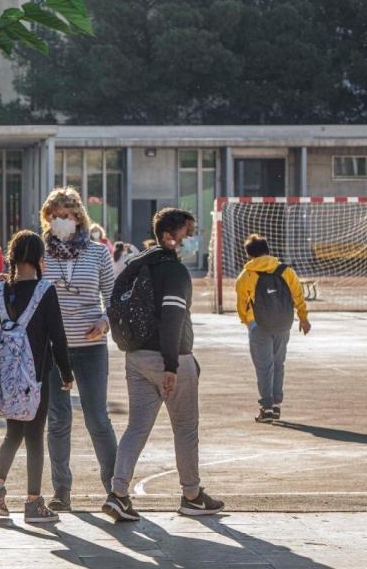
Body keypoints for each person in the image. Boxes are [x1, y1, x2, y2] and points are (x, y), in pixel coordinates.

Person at [104, 207, 224, 522]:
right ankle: (192, 495)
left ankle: (118, 494)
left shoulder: (136, 264)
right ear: (170, 237)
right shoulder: (173, 272)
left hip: (136, 357)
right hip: (170, 358)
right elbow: (172, 318)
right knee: (185, 428)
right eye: (189, 232)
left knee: (136, 427)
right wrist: (171, 365)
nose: (193, 238)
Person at [0, 230, 74, 524]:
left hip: (7, 381)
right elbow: (57, 336)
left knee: (13, 434)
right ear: (39, 258)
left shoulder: (1, 289)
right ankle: (33, 503)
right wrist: (66, 373)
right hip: (36, 379)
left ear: (13, 256)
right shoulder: (45, 291)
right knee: (34, 438)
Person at [38, 188, 118, 512]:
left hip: (91, 347)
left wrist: (105, 320)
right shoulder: (41, 253)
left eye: (67, 215)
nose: (62, 221)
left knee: (98, 418)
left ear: (79, 217)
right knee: (58, 419)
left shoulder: (98, 253)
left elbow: (114, 299)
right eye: (55, 216)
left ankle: (116, 490)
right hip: (53, 350)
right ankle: (61, 491)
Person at [235, 234, 311, 423]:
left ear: (249, 255)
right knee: (279, 364)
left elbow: (241, 304)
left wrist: (248, 322)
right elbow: (298, 295)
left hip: (259, 325)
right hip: (284, 323)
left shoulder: (246, 275)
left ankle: (266, 407)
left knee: (263, 367)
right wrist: (303, 318)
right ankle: (276, 405)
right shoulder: (286, 271)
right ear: (268, 250)